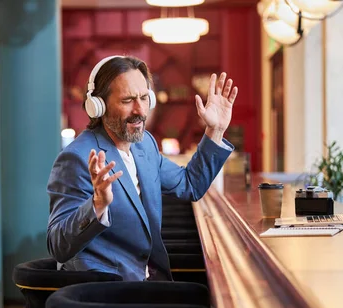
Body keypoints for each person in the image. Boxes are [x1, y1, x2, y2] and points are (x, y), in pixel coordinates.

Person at [46, 55, 238, 281]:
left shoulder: (144, 144)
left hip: (148, 279)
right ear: (98, 106)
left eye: (145, 98)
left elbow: (190, 185)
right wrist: (97, 206)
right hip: (107, 293)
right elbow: (58, 245)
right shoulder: (75, 158)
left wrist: (214, 130)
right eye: (127, 100)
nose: (140, 110)